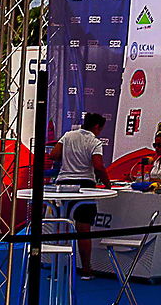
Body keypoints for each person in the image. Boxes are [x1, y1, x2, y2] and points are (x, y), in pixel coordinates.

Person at [47, 112, 112, 277]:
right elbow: (98, 166)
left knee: (62, 227)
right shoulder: (94, 142)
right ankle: (86, 269)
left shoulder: (68, 135)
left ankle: (57, 269)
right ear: (97, 127)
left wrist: (69, 159)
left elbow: (53, 155)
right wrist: (107, 184)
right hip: (84, 185)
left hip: (63, 184)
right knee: (83, 229)